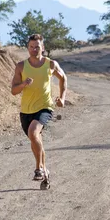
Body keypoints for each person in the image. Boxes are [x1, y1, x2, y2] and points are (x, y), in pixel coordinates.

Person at [11, 34, 67, 181]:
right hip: (26, 110)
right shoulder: (21, 66)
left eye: (37, 47)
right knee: (35, 139)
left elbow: (63, 78)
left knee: (33, 132)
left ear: (43, 48)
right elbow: (14, 91)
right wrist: (23, 84)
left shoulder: (50, 64)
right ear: (28, 48)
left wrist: (62, 97)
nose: (34, 49)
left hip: (45, 107)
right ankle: (45, 170)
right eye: (31, 47)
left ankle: (38, 169)